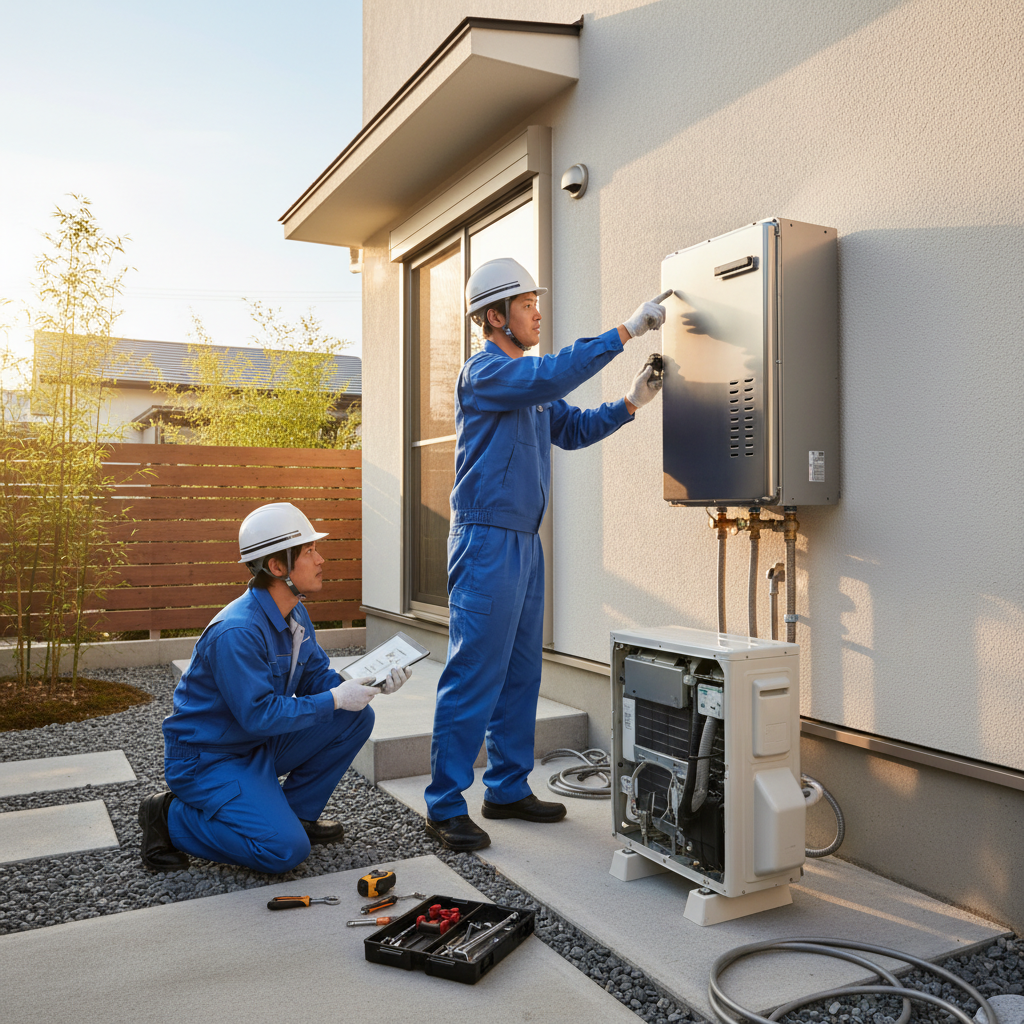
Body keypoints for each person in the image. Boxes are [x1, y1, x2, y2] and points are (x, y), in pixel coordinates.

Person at [425, 258, 667, 850]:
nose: (538, 311)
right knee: (474, 672)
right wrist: (626, 330)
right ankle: (443, 803)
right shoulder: (485, 373)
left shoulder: (529, 386)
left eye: (536, 301)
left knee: (519, 672)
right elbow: (553, 377)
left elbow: (574, 427)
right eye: (526, 302)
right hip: (485, 540)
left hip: (522, 542)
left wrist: (632, 403)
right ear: (494, 315)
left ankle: (507, 789)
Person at [138, 502, 410, 873]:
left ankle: (296, 816)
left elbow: (317, 678)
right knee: (283, 852)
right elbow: (259, 715)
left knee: (355, 717)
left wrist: (365, 686)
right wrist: (335, 698)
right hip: (209, 759)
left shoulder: (294, 611)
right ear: (278, 567)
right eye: (309, 551)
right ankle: (169, 817)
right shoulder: (238, 632)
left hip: (252, 743)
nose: (321, 559)